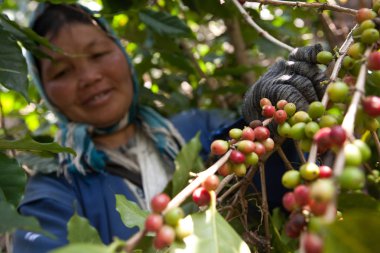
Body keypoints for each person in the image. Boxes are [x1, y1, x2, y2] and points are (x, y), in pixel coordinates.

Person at [12, 2, 326, 253]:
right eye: (63, 71)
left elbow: (270, 179)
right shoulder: (51, 194)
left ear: (122, 54)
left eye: (98, 54)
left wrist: (265, 122)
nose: (89, 76)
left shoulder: (193, 129)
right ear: (45, 91)